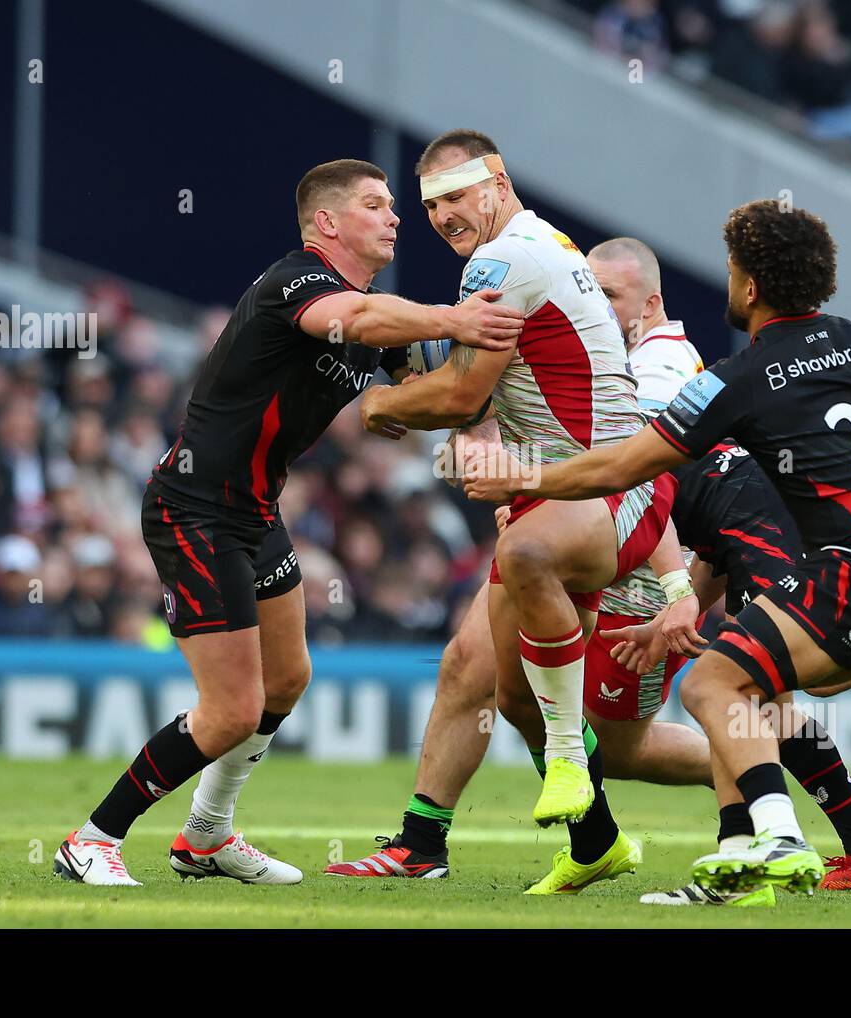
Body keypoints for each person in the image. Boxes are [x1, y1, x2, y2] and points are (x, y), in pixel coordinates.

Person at [463, 199, 851, 896]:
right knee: (773, 684)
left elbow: (617, 469)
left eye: (732, 270)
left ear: (749, 285)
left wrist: (524, 476)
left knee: (714, 684)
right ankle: (755, 854)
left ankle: (780, 840)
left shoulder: (735, 379)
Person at [53, 158, 522, 887]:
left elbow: (445, 397)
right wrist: (456, 318)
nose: (396, 217)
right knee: (231, 710)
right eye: (377, 204)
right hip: (194, 508)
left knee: (287, 680)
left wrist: (486, 400)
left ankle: (205, 837)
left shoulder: (379, 323)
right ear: (328, 222)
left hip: (254, 512)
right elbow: (358, 318)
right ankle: (92, 838)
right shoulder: (297, 280)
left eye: (395, 205)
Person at [359, 130, 683, 892]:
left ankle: (598, 763)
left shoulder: (502, 260)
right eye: (430, 204)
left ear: (497, 182)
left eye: (457, 195)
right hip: (559, 484)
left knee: (525, 561)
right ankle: (585, 838)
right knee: (493, 683)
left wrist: (381, 403)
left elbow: (462, 397)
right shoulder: (531, 247)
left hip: (612, 486)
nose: (442, 215)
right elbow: (480, 394)